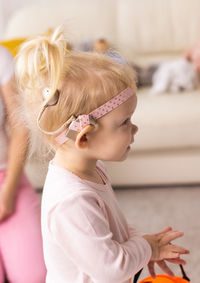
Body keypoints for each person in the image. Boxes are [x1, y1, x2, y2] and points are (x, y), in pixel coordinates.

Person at [15, 27, 189, 283]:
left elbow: (112, 230)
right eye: (125, 122)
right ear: (84, 137)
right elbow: (110, 270)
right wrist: (146, 248)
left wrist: (145, 244)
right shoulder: (72, 201)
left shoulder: (91, 169)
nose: (135, 128)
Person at [0, 45, 46, 282]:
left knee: (35, 276)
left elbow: (20, 127)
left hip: (7, 179)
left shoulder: (1, 57)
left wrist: (7, 194)